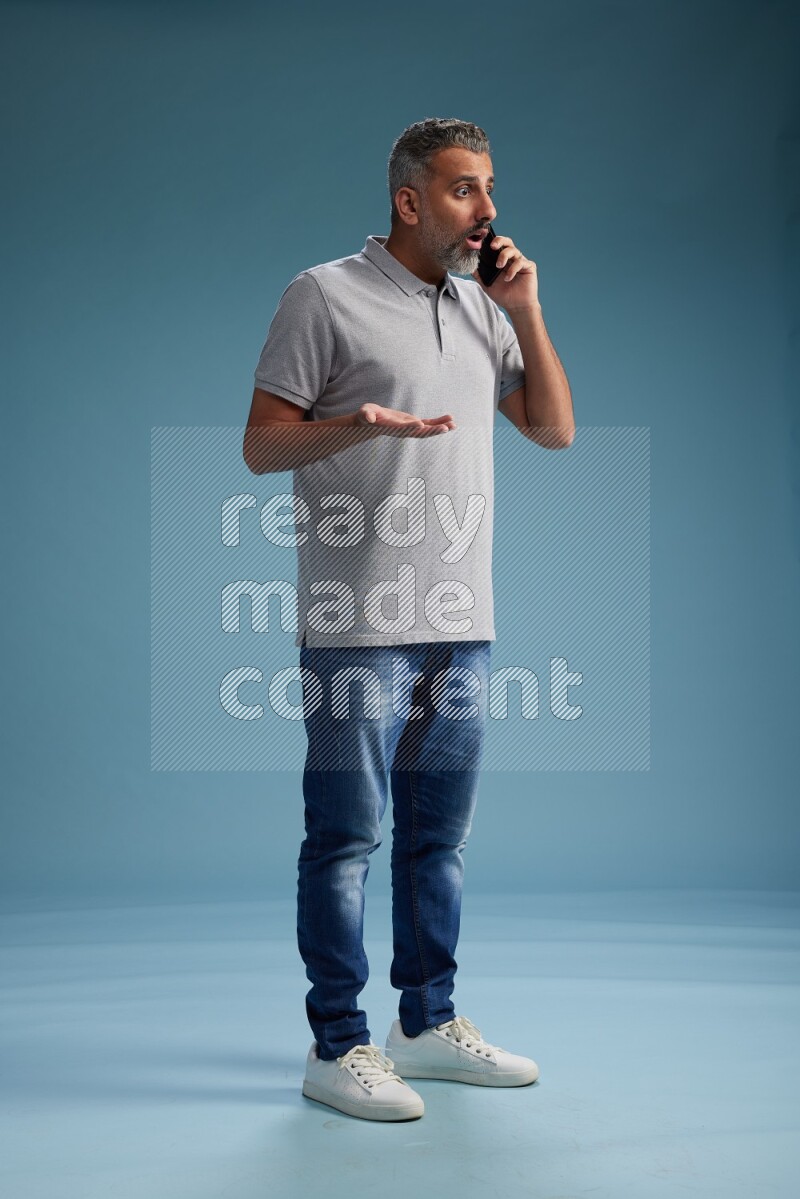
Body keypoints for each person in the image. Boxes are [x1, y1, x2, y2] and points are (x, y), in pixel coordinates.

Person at [243, 117, 574, 1122]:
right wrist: (354, 423)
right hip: (357, 618)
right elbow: (261, 446)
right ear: (409, 199)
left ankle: (424, 1024)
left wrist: (526, 309)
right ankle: (336, 1042)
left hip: (461, 617)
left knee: (439, 839)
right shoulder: (322, 294)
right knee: (345, 836)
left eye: (488, 188)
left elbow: (553, 429)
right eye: (466, 189)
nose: (487, 208)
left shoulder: (481, 305)